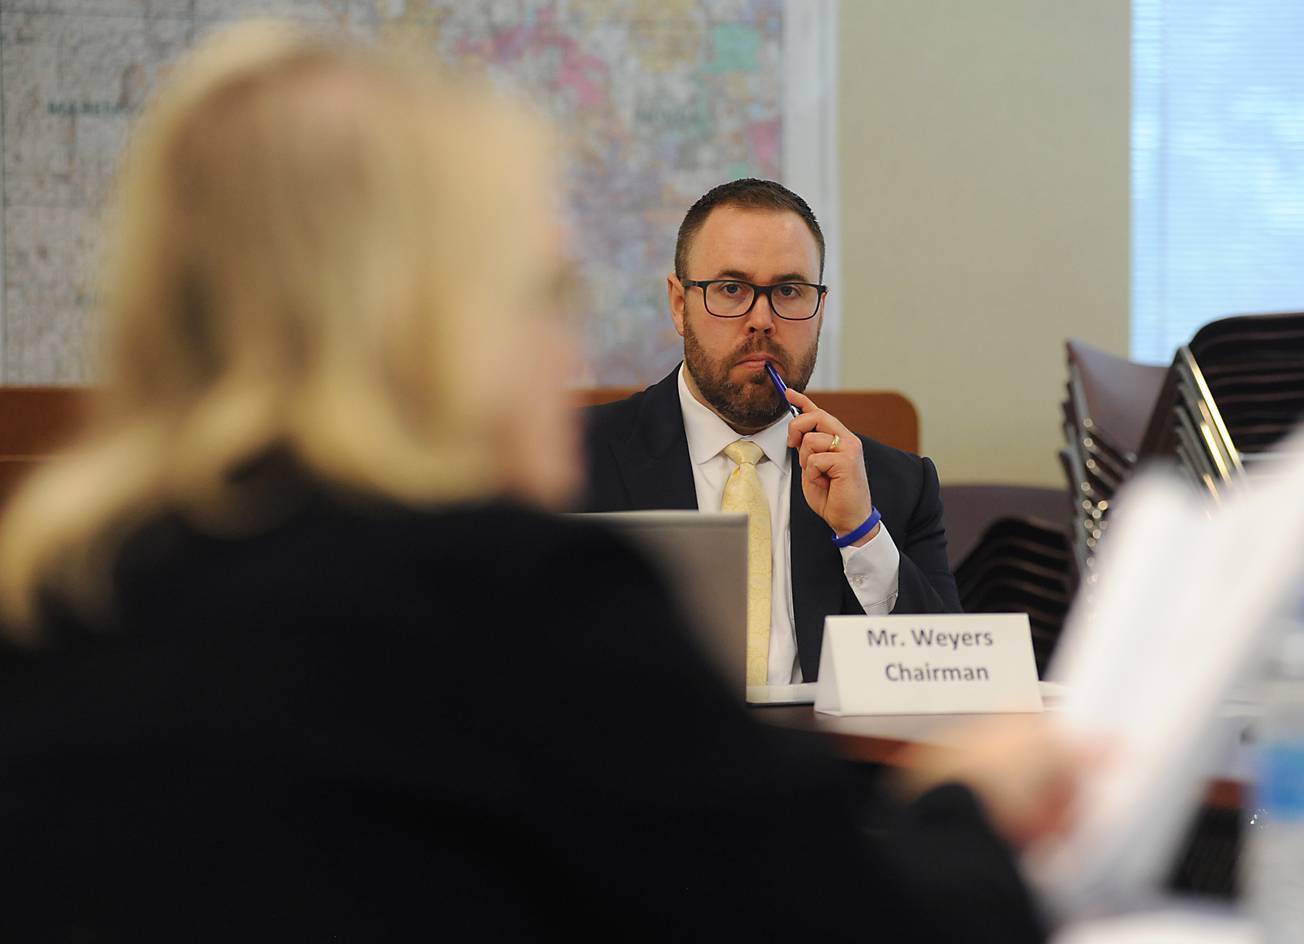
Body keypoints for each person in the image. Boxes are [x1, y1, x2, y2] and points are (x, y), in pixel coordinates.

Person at [0, 23, 1072, 941]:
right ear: (430, 319)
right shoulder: (513, 595)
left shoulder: (59, 588)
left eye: (788, 291)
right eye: (543, 290)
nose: (561, 349)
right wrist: (967, 804)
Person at [582, 179, 960, 684]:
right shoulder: (575, 460)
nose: (761, 320)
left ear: (820, 308)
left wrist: (862, 534)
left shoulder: (897, 485)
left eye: (788, 291)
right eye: (731, 289)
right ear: (678, 303)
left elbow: (949, 681)